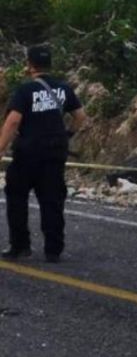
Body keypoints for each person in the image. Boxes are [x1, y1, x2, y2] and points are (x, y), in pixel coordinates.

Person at [0, 45, 86, 263]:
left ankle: (20, 246)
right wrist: (68, 134)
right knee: (52, 200)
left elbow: (13, 122)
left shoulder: (25, 90)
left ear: (30, 65)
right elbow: (80, 116)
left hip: (28, 154)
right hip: (55, 154)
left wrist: (0, 150)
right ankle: (53, 250)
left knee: (17, 198)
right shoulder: (64, 88)